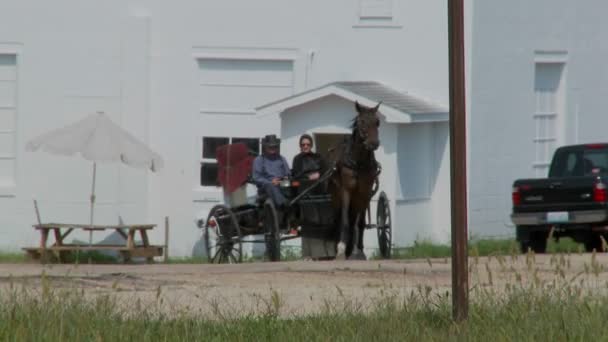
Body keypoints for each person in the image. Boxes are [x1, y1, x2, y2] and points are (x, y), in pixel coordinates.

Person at [252, 134, 291, 207]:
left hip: (281, 183)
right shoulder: (259, 160)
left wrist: (282, 181)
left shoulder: (282, 159)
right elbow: (256, 178)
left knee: (294, 183)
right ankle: (283, 204)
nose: (272, 148)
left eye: (274, 146)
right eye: (270, 146)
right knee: (270, 185)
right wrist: (271, 182)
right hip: (266, 187)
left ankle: (297, 204)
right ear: (265, 146)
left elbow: (288, 175)